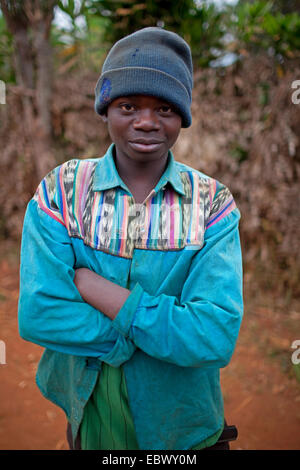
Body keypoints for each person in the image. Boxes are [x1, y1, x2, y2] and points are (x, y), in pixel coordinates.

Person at [18, 27, 243, 451]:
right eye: (127, 105)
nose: (145, 121)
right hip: (89, 415)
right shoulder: (61, 191)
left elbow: (214, 335)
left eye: (165, 107)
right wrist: (156, 334)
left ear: (182, 117)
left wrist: (99, 290)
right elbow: (39, 312)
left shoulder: (213, 206)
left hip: (183, 427)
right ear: (105, 109)